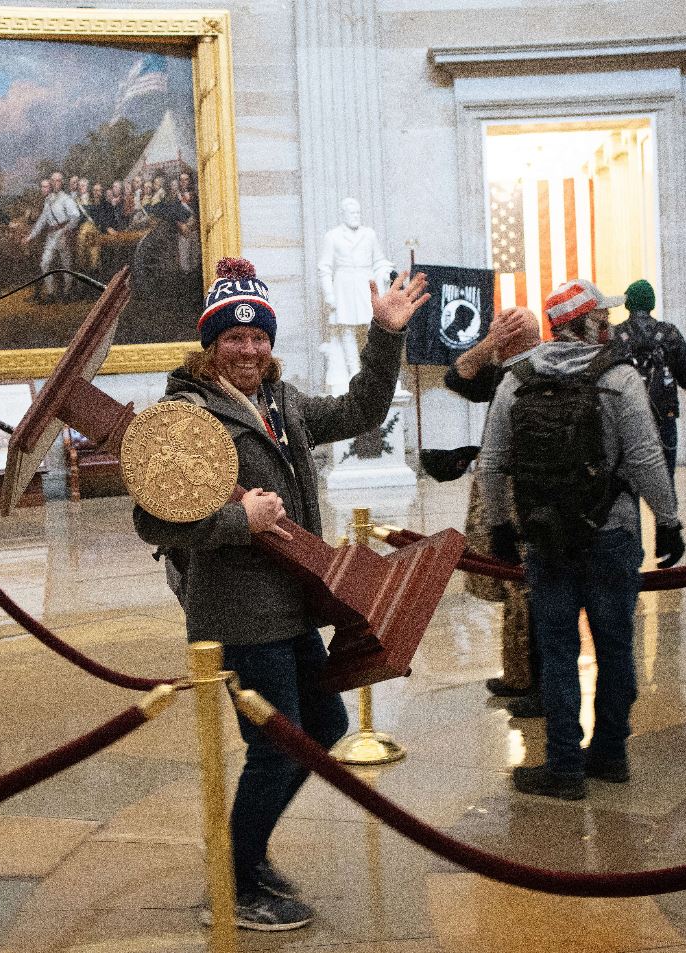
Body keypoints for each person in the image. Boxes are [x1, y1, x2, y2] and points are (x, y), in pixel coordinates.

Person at [133, 257, 428, 931]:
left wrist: (385, 336)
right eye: (233, 337)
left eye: (258, 336)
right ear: (211, 344)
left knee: (323, 727)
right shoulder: (185, 415)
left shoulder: (281, 401)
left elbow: (361, 409)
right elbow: (153, 521)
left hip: (293, 605)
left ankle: (248, 854)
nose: (248, 349)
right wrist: (238, 519)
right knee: (276, 744)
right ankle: (235, 882)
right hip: (238, 613)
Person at [479, 278, 683, 801]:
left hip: (546, 536)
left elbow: (492, 463)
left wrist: (500, 528)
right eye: (602, 317)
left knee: (557, 651)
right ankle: (610, 753)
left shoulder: (517, 378)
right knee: (615, 648)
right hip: (611, 531)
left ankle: (564, 766)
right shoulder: (619, 377)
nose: (609, 325)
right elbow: (645, 457)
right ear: (586, 324)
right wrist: (668, 519)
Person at [440, 309, 544, 711]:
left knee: (528, 589)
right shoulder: (505, 373)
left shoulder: (537, 372)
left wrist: (491, 343)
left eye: (498, 335)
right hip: (504, 492)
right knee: (514, 587)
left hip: (527, 497)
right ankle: (518, 676)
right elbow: (456, 376)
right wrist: (490, 345)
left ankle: (538, 686)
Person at [610, 279, 686, 488]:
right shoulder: (670, 334)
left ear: (628, 304)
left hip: (628, 420)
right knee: (665, 486)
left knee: (627, 490)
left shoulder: (615, 336)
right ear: (651, 303)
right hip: (664, 417)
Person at [317, 197, 393, 393]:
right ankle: (354, 372)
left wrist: (386, 272)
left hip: (365, 283)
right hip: (343, 286)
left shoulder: (369, 234)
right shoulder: (332, 236)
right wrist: (329, 294)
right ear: (343, 215)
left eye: (358, 212)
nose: (356, 216)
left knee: (370, 328)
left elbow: (379, 261)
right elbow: (324, 267)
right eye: (352, 213)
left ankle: (370, 370)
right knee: (347, 330)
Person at [22, 172, 80, 302]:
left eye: (58, 180)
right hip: (51, 236)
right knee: (45, 263)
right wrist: (30, 237)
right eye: (53, 180)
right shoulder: (48, 199)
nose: (55, 183)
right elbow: (42, 220)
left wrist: (66, 230)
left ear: (62, 182)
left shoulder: (66, 199)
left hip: (63, 234)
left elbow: (76, 216)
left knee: (66, 265)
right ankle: (50, 293)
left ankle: (66, 293)